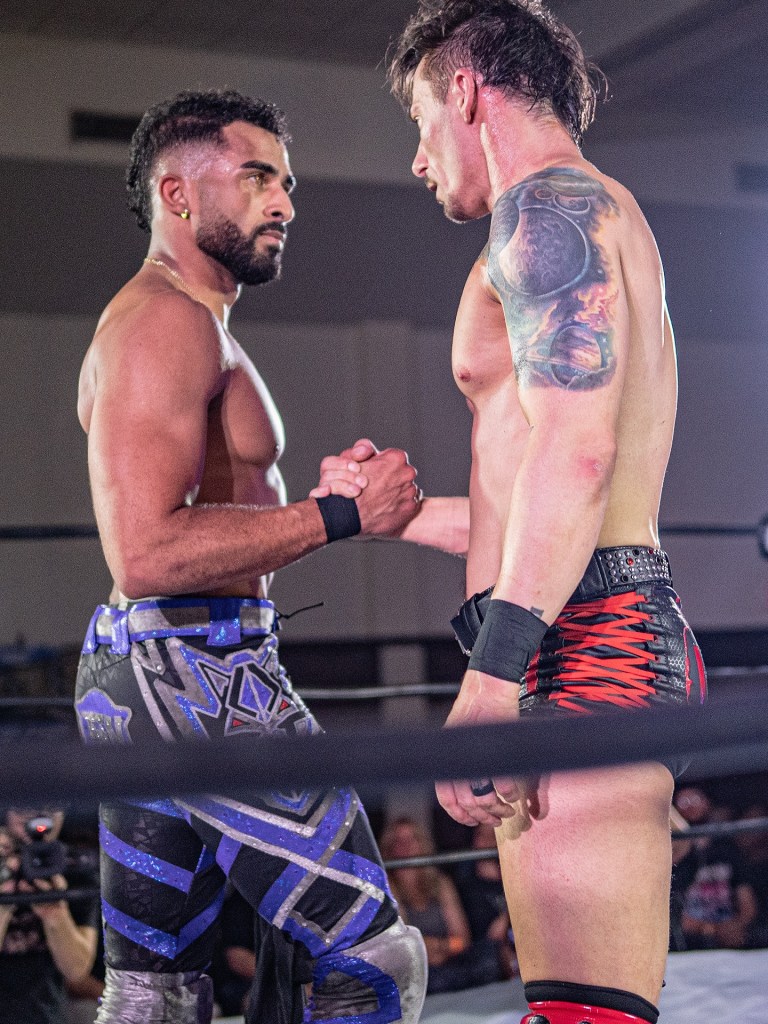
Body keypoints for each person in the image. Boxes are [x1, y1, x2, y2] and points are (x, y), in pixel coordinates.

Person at [73, 89, 468, 1024]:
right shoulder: (165, 322)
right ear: (176, 195)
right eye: (256, 178)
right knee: (373, 956)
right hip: (191, 665)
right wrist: (336, 515)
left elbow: (201, 522)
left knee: (155, 996)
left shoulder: (188, 324)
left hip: (157, 665)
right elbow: (146, 551)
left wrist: (321, 507)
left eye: (286, 183)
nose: (284, 202)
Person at [378, 3, 709, 1023]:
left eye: (421, 121)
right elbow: (538, 491)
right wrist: (395, 517)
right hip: (566, 631)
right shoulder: (571, 216)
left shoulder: (548, 210)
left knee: (586, 1017)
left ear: (466, 90)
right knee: (565, 1011)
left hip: (589, 640)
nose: (419, 158)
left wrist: (489, 678)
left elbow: (579, 453)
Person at [379, 816, 500, 993]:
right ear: (389, 846)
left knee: (487, 957)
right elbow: (404, 945)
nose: (405, 845)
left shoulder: (440, 883)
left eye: (412, 839)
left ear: (422, 844)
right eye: (398, 840)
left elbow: (462, 939)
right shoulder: (386, 888)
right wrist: (442, 946)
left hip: (450, 962)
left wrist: (435, 947)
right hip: (415, 969)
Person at [0, 809, 99, 1024]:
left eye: (52, 806)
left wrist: (56, 913)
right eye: (25, 806)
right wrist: (4, 900)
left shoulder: (72, 868)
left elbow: (76, 970)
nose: (38, 814)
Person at [672, 787, 756, 951]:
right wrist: (709, 928)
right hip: (687, 938)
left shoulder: (726, 848)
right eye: (684, 801)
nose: (690, 805)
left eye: (695, 799)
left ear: (707, 802)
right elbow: (672, 908)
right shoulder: (673, 853)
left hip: (730, 935)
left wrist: (736, 925)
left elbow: (746, 898)